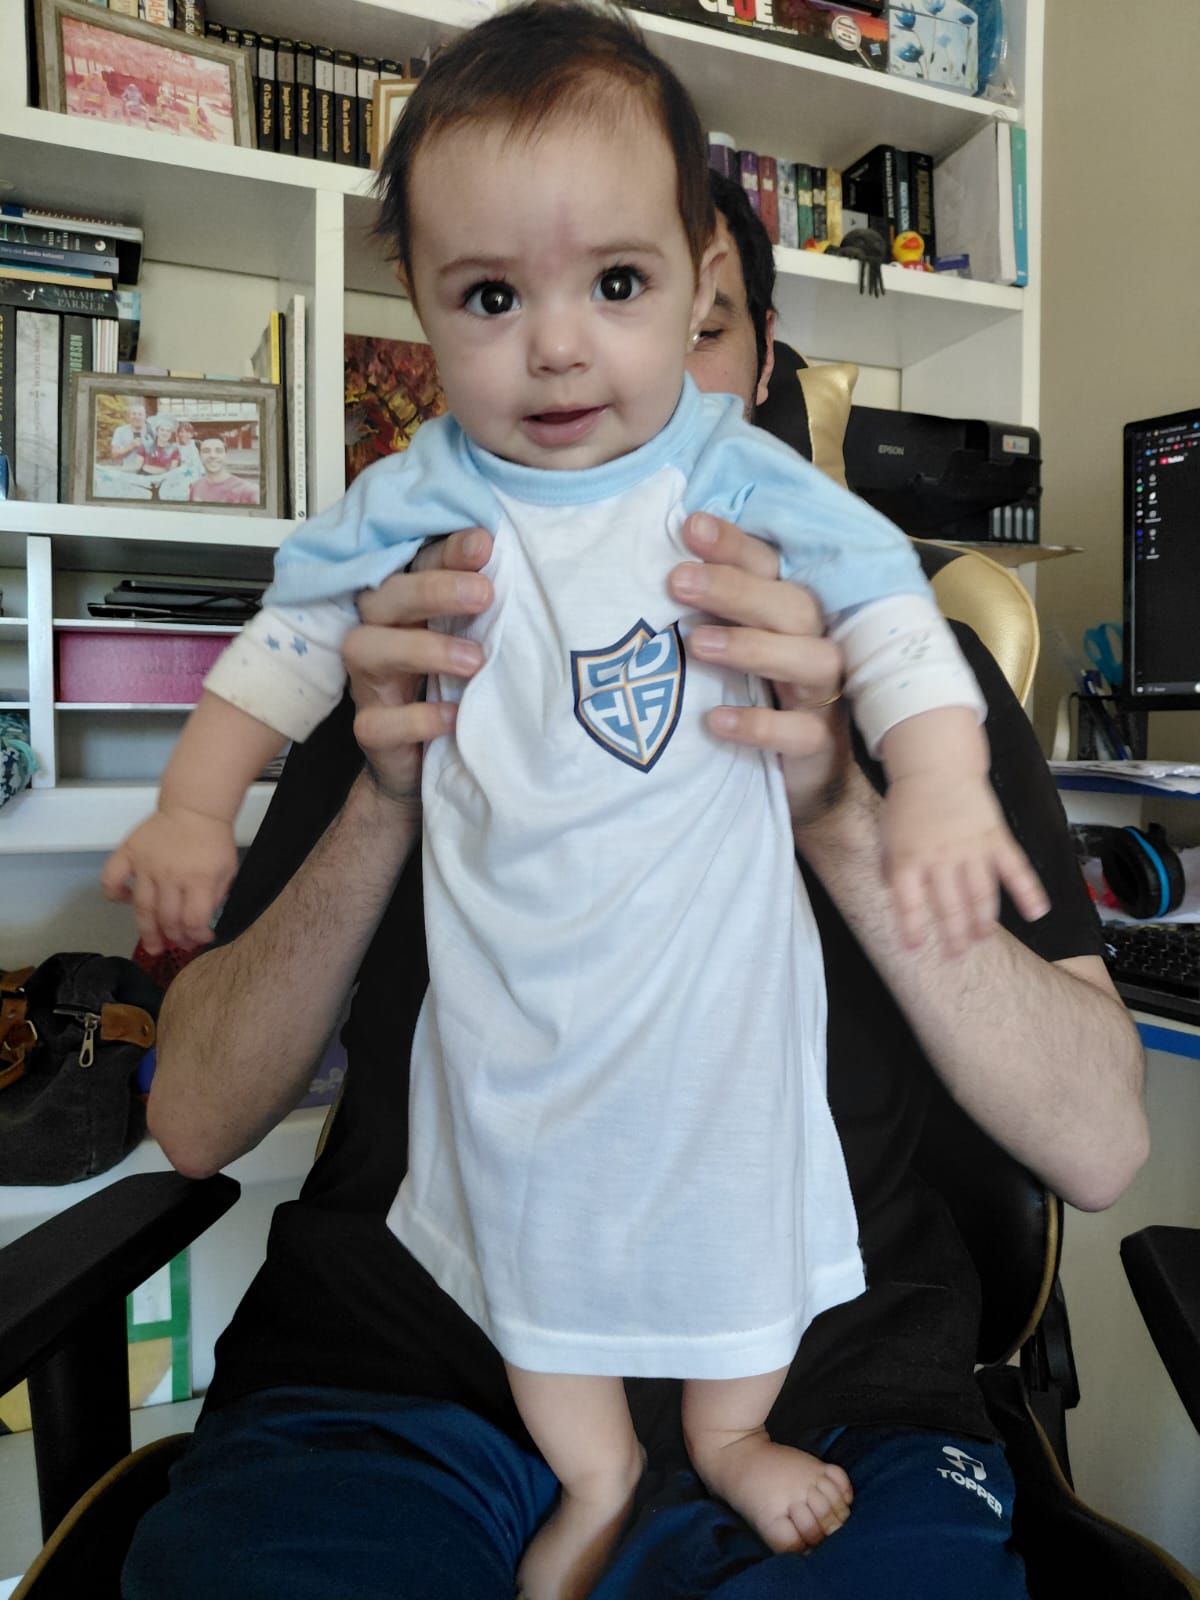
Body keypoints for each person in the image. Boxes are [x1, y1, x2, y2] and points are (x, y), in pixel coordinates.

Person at [121, 123, 1147, 1600]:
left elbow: (1103, 1146)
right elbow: (196, 1119)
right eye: (504, 301)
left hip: (816, 1386)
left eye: (655, 307)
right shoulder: (422, 614)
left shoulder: (903, 665)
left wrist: (845, 804)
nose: (586, 364)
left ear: (756, 356)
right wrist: (387, 794)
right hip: (409, 1368)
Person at [186, 435, 258, 506]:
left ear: (225, 455)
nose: (212, 455)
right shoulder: (195, 487)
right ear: (200, 456)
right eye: (206, 451)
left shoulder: (247, 491)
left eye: (218, 451)